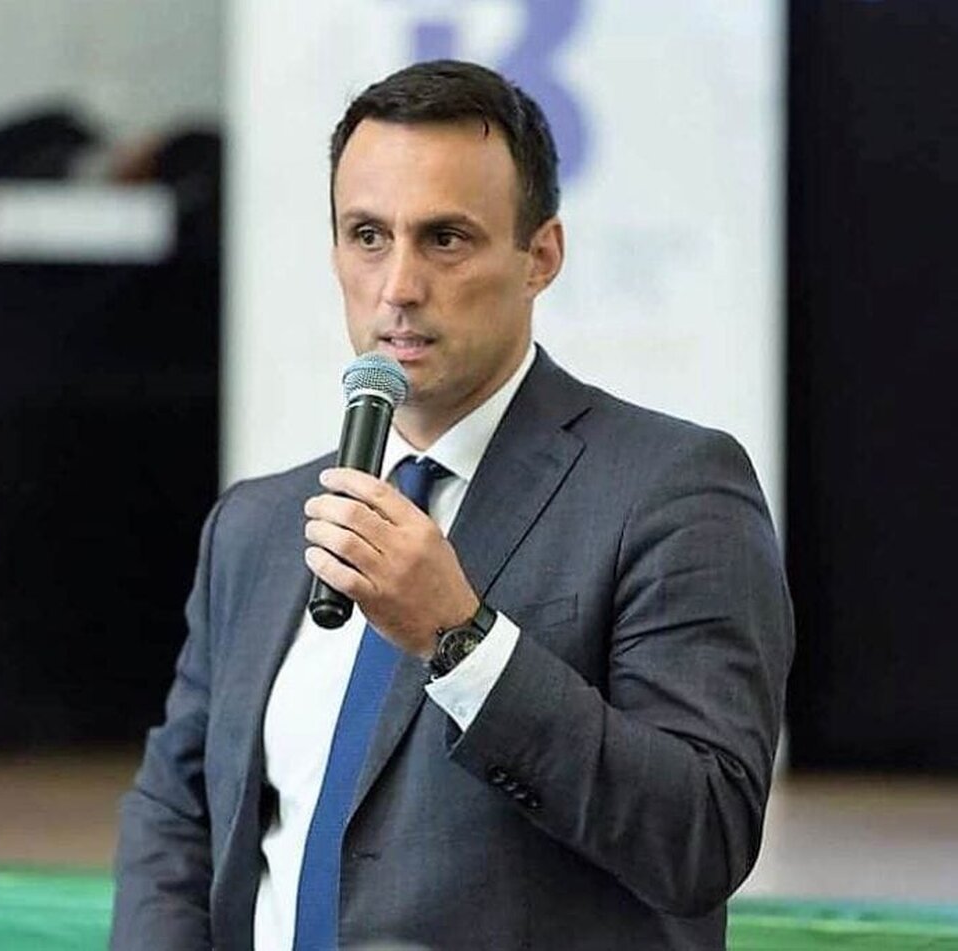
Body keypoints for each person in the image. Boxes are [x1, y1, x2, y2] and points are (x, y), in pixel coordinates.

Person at [112, 59, 794, 951]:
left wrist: (462, 639)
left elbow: (701, 835)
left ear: (540, 256)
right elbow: (177, 814)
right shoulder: (257, 524)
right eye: (367, 234)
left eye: (444, 238)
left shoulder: (673, 488)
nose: (398, 284)